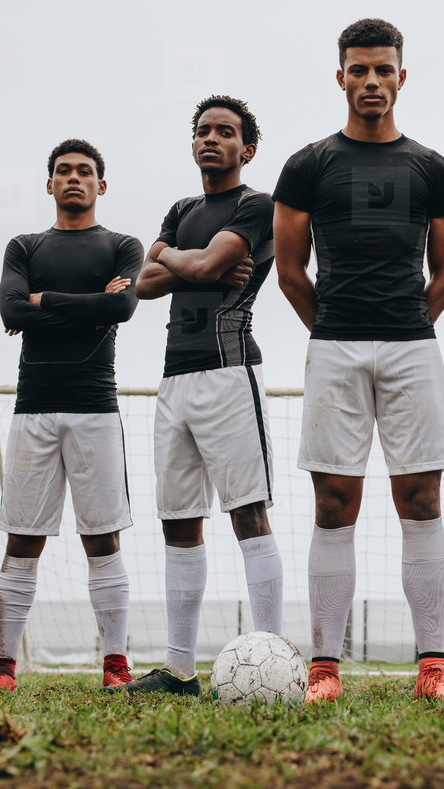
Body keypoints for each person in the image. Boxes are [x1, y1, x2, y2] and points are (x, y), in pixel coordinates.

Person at [273, 18, 444, 702]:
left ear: (401, 78)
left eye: (383, 70)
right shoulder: (307, 165)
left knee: (421, 498)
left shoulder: (432, 168)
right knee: (334, 501)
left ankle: (433, 669)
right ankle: (324, 669)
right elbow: (290, 270)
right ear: (341, 79)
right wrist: (333, 330)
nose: (371, 82)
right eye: (359, 71)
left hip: (413, 348)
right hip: (334, 349)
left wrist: (405, 327)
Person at [120, 96, 282, 697]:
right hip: (174, 379)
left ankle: (272, 658)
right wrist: (181, 260)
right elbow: (144, 283)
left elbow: (212, 267)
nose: (211, 139)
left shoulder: (255, 205)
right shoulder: (182, 208)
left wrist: (175, 259)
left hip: (229, 373)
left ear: (248, 148)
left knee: (247, 513)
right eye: (203, 131)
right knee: (179, 522)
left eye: (225, 132)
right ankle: (180, 670)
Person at [0, 139, 143, 695]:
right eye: (63, 171)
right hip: (34, 407)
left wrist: (42, 304)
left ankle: (115, 666)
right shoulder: (23, 245)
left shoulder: (123, 245)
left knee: (102, 540)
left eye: (85, 171)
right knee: (22, 538)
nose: (74, 178)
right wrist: (85, 304)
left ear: (101, 184)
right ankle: (2, 671)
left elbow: (121, 308)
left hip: (95, 407)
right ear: (49, 184)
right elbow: (8, 308)